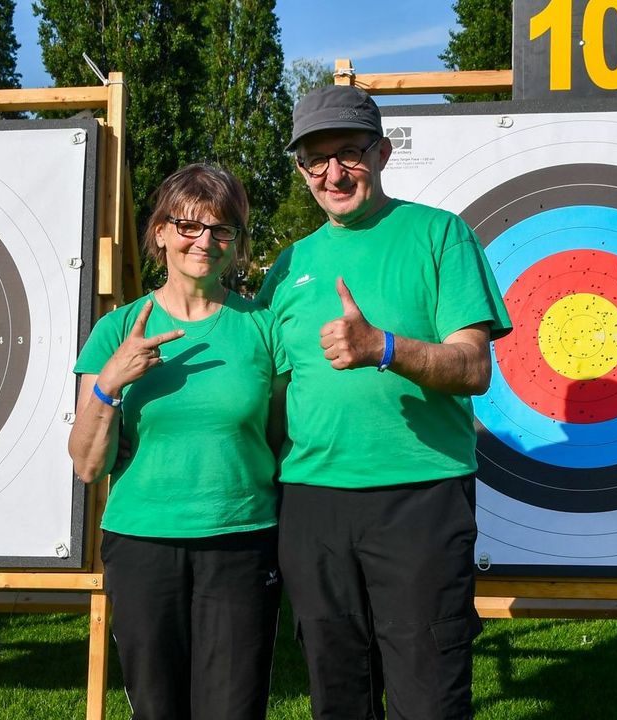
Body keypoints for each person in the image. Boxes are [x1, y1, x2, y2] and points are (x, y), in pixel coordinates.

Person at [256, 85, 513, 719]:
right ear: (299, 169)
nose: (333, 173)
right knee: (337, 692)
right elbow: (270, 390)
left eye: (349, 153)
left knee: (428, 692)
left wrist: (384, 347)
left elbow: (475, 367)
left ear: (384, 152)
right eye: (315, 159)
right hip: (313, 503)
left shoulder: (440, 236)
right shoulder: (288, 266)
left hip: (419, 499)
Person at [68, 163, 289, 720]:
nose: (204, 242)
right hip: (143, 545)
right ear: (160, 233)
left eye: (221, 229)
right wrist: (110, 382)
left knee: (234, 709)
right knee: (157, 707)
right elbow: (88, 464)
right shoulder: (117, 330)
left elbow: (280, 441)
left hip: (242, 542)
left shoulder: (261, 328)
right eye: (188, 225)